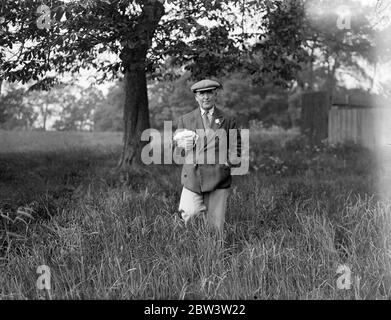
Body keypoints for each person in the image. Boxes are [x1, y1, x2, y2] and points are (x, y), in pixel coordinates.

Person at [173, 79, 241, 233]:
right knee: (190, 213)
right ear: (196, 97)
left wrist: (228, 163)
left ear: (215, 94)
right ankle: (195, 244)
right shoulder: (186, 119)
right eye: (201, 93)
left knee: (216, 227)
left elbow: (236, 149)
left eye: (209, 92)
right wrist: (181, 145)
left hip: (218, 178)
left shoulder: (228, 119)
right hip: (193, 177)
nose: (206, 97)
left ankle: (212, 253)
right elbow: (177, 151)